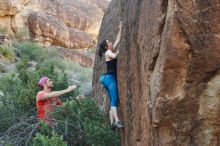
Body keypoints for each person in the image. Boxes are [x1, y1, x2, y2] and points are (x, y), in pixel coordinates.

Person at [98, 21, 123, 130]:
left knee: (113, 99)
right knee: (114, 99)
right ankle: (117, 121)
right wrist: (119, 52)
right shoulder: (108, 52)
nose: (111, 42)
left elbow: (118, 40)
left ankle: (112, 122)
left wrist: (121, 28)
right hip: (110, 78)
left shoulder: (109, 50)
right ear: (106, 46)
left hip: (107, 79)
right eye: (109, 42)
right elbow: (113, 55)